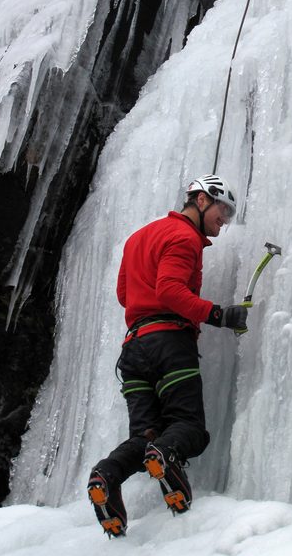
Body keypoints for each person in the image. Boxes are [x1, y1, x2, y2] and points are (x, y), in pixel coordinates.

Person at [87, 174, 249, 537]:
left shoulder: (138, 238)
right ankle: (167, 457)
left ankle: (106, 476)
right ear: (201, 200)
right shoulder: (184, 237)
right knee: (189, 428)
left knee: (146, 437)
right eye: (223, 209)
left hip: (133, 348)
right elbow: (170, 289)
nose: (225, 219)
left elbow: (125, 295)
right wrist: (218, 315)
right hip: (168, 345)